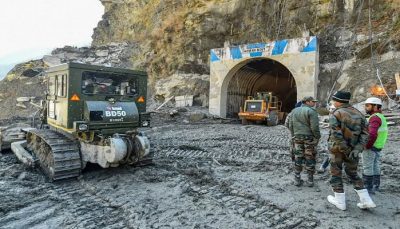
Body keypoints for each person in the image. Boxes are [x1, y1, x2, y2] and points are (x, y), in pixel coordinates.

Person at [327, 91, 376, 211]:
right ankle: (366, 200)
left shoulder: (336, 113)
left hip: (337, 150)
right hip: (353, 150)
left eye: (334, 100)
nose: (333, 102)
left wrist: (345, 149)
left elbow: (336, 134)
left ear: (338, 101)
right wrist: (357, 149)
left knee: (336, 173)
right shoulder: (359, 114)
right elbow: (366, 134)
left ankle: (340, 201)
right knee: (353, 173)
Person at [288, 96, 321, 187]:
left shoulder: (294, 111)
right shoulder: (312, 111)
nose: (314, 103)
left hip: (297, 137)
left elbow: (290, 125)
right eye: (313, 101)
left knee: (298, 156)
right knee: (309, 156)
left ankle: (297, 179)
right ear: (307, 102)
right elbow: (314, 127)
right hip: (309, 138)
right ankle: (310, 180)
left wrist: (293, 134)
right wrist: (317, 137)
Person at [363, 97, 388, 194]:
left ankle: (368, 188)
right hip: (378, 146)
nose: (366, 108)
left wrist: (367, 146)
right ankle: (376, 185)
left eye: (368, 105)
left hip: (371, 146)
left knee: (368, 167)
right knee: (375, 165)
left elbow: (372, 134)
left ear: (376, 107)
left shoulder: (374, 118)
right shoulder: (381, 116)